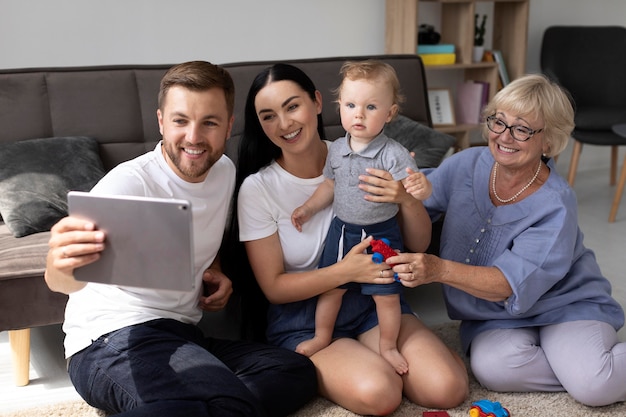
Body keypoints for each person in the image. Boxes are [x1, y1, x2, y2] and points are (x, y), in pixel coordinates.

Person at [44, 61, 318, 417]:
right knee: (225, 401)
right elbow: (60, 281)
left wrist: (216, 270)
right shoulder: (128, 184)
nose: (193, 137)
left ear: (228, 126)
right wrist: (58, 261)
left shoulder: (225, 173)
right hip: (110, 339)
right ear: (161, 121)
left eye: (209, 122)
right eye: (180, 121)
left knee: (293, 371)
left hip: (182, 335)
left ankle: (195, 405)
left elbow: (209, 234)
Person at [228, 62, 468, 415]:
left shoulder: (367, 153)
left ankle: (387, 348)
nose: (284, 124)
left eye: (293, 106)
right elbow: (275, 289)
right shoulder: (258, 188)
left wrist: (404, 197)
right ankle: (350, 354)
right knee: (381, 392)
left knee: (447, 388)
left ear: (318, 102)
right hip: (306, 318)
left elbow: (417, 244)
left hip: (373, 306)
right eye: (268, 116)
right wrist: (346, 271)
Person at [396, 74, 626, 407]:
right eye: (498, 122)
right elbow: (418, 204)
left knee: (595, 387)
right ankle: (575, 363)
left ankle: (587, 368)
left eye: (521, 129)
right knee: (493, 369)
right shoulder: (466, 164)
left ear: (548, 141)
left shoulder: (556, 203)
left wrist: (438, 269)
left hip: (566, 306)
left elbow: (506, 283)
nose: (504, 137)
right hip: (494, 315)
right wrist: (400, 183)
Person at [290, 60, 432, 374]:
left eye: (370, 107)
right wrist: (308, 209)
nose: (359, 114)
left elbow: (413, 188)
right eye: (351, 105)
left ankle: (388, 346)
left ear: (390, 113)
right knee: (331, 290)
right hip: (343, 231)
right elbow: (330, 185)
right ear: (339, 106)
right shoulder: (338, 149)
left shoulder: (392, 153)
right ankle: (322, 336)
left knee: (387, 298)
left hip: (382, 234)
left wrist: (421, 187)